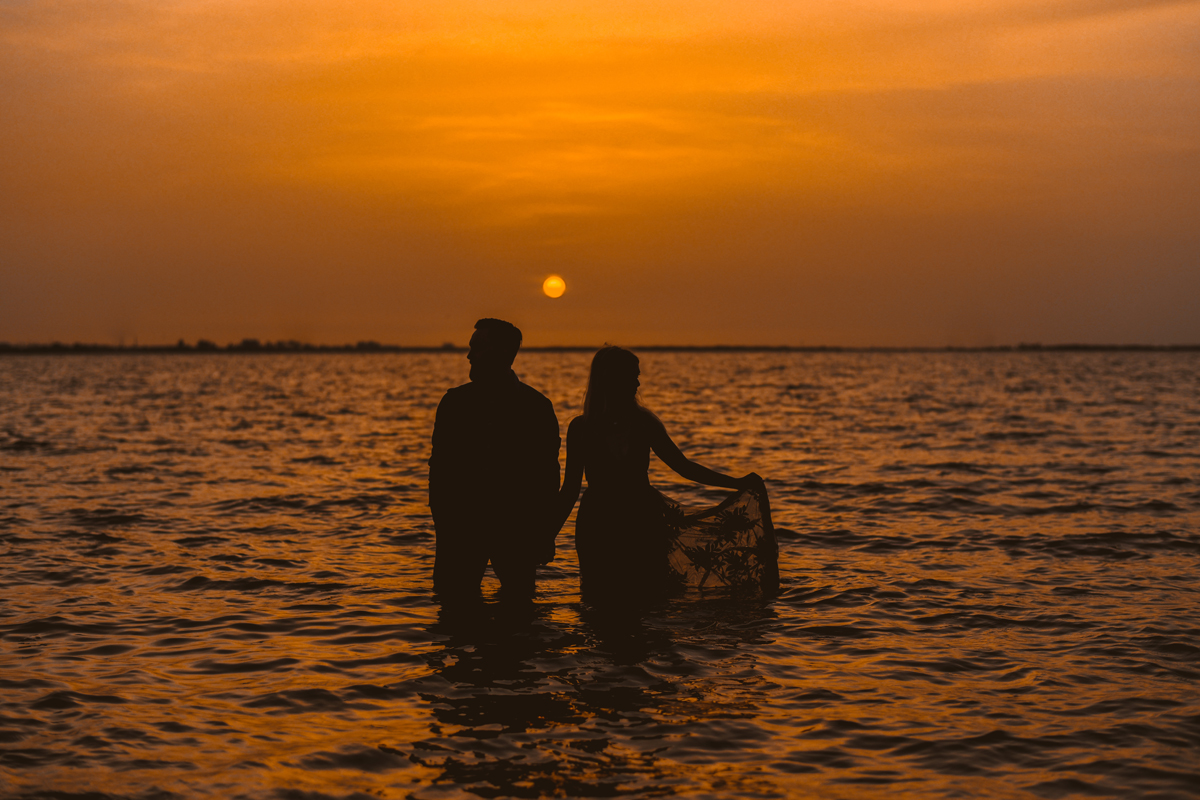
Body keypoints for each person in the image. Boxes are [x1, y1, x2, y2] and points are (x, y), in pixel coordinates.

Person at [556, 346, 778, 602]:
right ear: (610, 378)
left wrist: (736, 483)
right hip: (599, 524)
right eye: (632, 375)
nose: (638, 383)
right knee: (599, 598)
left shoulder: (644, 424)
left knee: (647, 597)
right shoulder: (581, 428)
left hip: (642, 520)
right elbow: (570, 490)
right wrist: (548, 535)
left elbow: (683, 467)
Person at [428, 319, 560, 601]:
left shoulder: (535, 407)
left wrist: (545, 533)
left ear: (501, 353)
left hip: (515, 530)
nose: (469, 356)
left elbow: (547, 477)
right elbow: (439, 473)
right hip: (461, 530)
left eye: (477, 348)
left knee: (519, 617)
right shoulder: (454, 403)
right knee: (455, 615)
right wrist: (444, 528)